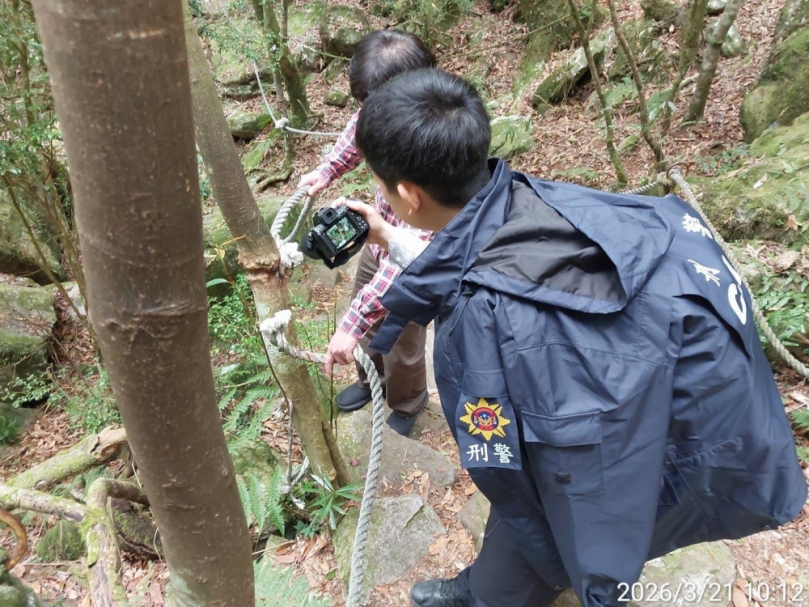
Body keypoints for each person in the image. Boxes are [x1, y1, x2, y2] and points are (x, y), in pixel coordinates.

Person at [333, 67, 808, 606]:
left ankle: (495, 596)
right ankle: (492, 585)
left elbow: (533, 471)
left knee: (556, 514)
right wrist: (390, 238)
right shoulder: (538, 200)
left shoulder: (489, 322)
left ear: (407, 194)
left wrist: (599, 578)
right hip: (714, 383)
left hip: (687, 431)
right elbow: (480, 259)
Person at [297, 29, 436, 436]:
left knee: (402, 339)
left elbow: (411, 254)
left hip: (413, 261)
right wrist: (325, 172)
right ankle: (368, 382)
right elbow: (357, 132)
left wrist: (350, 326)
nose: (366, 112)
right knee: (364, 313)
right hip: (378, 238)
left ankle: (408, 401)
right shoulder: (383, 112)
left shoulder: (431, 147)